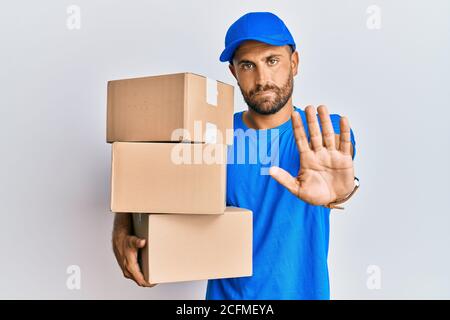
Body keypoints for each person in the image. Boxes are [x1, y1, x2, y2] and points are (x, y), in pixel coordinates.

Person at [112, 11, 359, 299]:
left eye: (272, 60)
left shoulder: (322, 134)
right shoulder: (209, 136)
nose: (262, 78)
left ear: (294, 63)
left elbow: (340, 174)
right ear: (233, 72)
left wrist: (341, 194)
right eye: (247, 65)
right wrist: (123, 226)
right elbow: (150, 181)